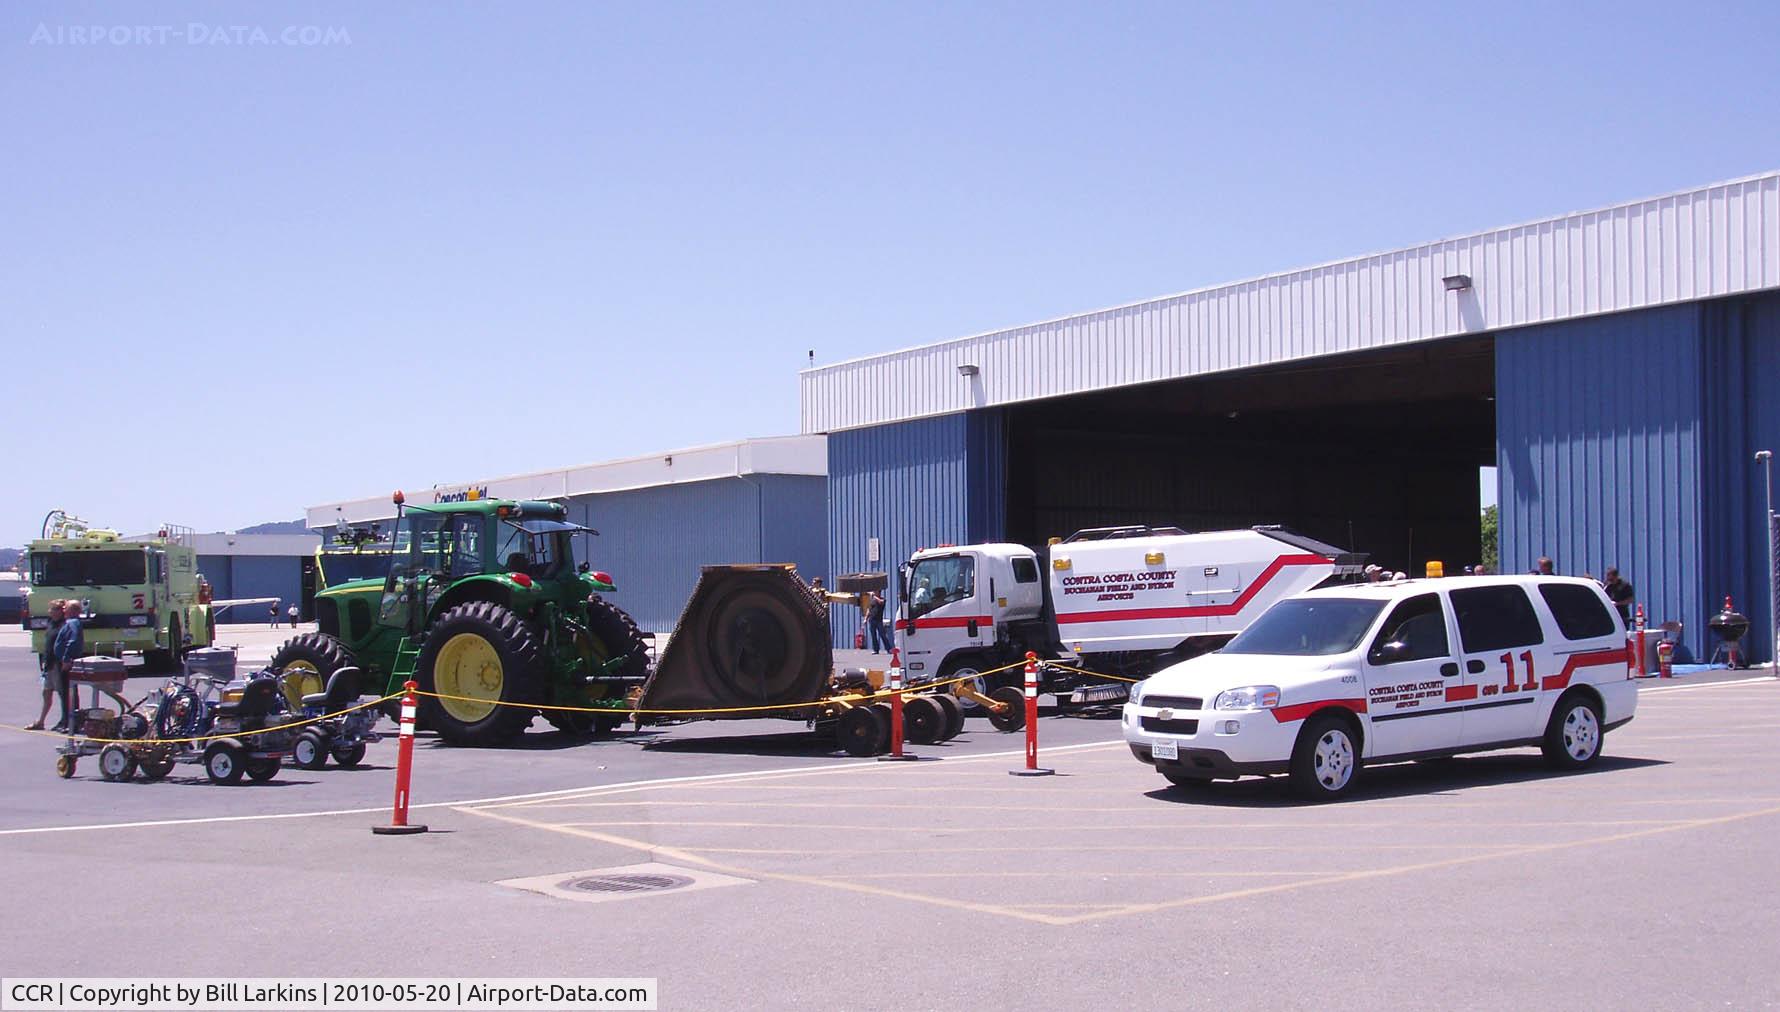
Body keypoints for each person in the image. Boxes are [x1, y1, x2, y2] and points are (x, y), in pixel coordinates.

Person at [26, 600, 67, 732]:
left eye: (54, 609)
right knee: (46, 692)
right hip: (49, 663)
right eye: (51, 609)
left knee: (63, 693)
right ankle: (41, 721)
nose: (50, 612)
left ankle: (66, 720)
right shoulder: (51, 623)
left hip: (58, 663)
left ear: (61, 611)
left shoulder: (65, 625)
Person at [53, 600, 86, 733]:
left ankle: (71, 723)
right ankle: (68, 721)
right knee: (66, 692)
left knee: (68, 693)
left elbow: (73, 641)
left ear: (72, 610)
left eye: (65, 608)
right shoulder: (70, 623)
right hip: (63, 661)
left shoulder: (73, 623)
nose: (63, 611)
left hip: (67, 663)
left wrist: (66, 659)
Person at [863, 589, 891, 654]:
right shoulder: (872, 600)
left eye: (876, 591)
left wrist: (874, 596)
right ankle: (876, 650)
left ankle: (888, 649)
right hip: (872, 620)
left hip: (879, 620)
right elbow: (869, 610)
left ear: (879, 592)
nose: (874, 592)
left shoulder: (882, 599)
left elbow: (881, 602)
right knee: (873, 635)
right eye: (874, 592)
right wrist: (865, 619)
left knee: (882, 634)